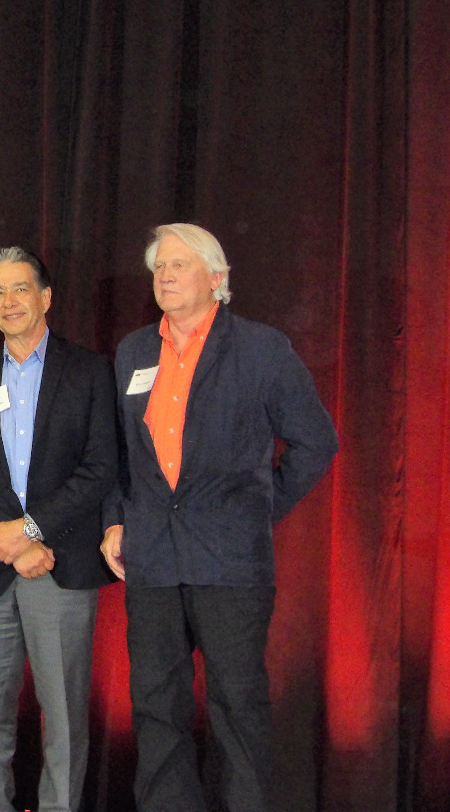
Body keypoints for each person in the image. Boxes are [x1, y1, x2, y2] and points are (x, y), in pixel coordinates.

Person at [100, 223, 337, 812]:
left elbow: (315, 441)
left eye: (180, 265)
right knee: (156, 708)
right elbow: (117, 454)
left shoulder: (261, 349)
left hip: (230, 563)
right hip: (152, 560)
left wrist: (259, 507)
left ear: (218, 278)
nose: (166, 276)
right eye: (159, 268)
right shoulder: (133, 352)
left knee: (238, 707)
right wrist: (114, 521)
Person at [0, 248, 117, 812]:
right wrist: (8, 536)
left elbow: (101, 468)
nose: (9, 302)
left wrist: (34, 530)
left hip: (61, 565)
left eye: (20, 289)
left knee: (63, 720)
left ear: (46, 297)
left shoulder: (90, 372)